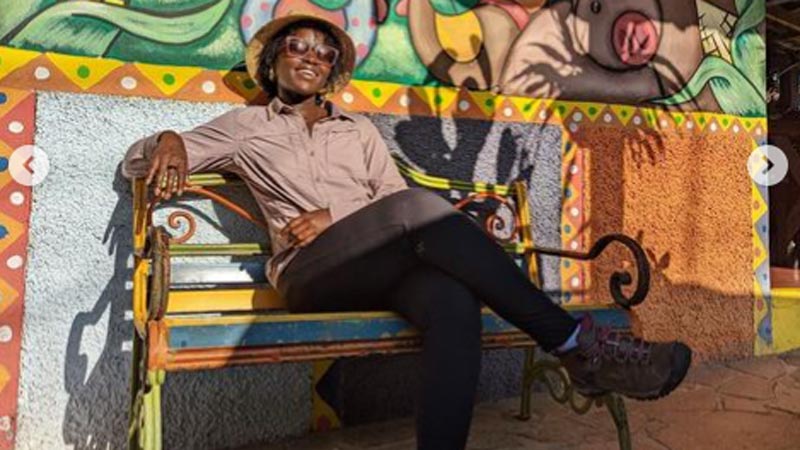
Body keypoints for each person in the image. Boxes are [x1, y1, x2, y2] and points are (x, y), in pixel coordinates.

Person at [121, 14, 692, 450]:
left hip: (375, 267)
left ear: (332, 72)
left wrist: (338, 214)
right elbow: (135, 162)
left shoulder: (359, 131)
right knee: (420, 208)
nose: (311, 57)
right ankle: (576, 345)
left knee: (453, 303)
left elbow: (393, 202)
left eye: (323, 52)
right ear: (273, 62)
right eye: (297, 46)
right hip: (309, 273)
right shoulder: (246, 126)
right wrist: (168, 140)